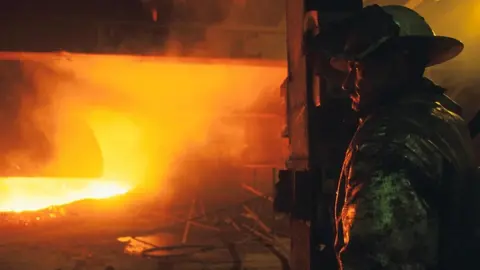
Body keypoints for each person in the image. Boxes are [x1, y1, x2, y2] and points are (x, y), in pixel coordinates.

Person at [314, 5, 479, 270]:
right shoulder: (444, 120)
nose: (345, 85)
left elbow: (379, 255)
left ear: (398, 63)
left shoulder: (386, 141)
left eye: (357, 67)